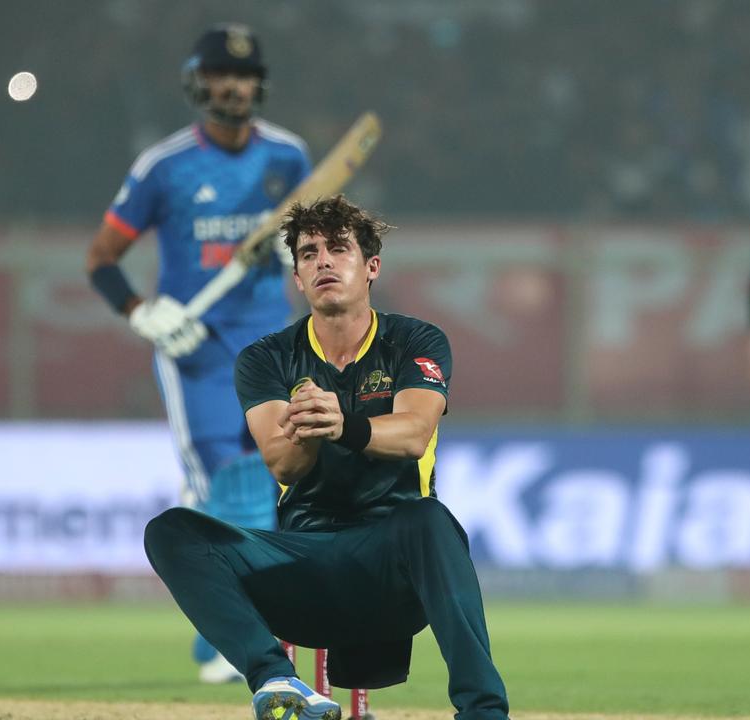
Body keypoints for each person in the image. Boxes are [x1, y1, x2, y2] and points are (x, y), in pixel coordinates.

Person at [144, 195, 511, 720]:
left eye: (339, 249)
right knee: (171, 532)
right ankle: (276, 681)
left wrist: (343, 423)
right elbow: (284, 465)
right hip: (304, 563)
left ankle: (483, 712)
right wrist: (311, 429)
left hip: (395, 569)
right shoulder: (266, 357)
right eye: (309, 253)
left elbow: (412, 433)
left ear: (371, 267)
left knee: (431, 520)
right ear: (297, 277)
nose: (323, 261)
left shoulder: (414, 340)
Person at [86, 23, 311, 683]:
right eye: (219, 74)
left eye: (242, 75)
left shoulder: (289, 159)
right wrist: (142, 312)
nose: (232, 86)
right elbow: (101, 259)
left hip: (273, 342)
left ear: (257, 84)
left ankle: (231, 630)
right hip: (197, 350)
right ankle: (230, 640)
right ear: (198, 82)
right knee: (234, 478)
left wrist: (294, 246)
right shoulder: (166, 167)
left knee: (271, 484)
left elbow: (318, 238)